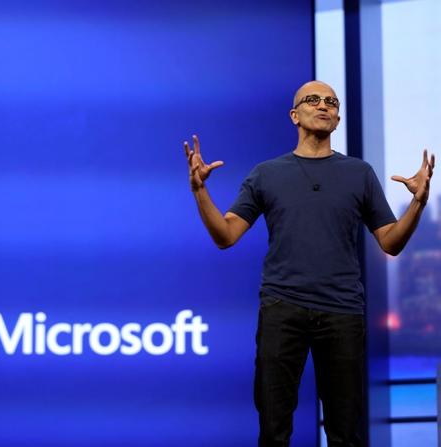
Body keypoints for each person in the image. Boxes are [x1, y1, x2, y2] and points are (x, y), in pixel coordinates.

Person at [183, 80, 435, 447]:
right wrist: (199, 191)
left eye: (331, 102)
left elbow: (390, 242)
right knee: (274, 429)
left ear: (337, 118)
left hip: (342, 313)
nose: (324, 106)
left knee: (345, 432)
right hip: (282, 310)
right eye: (313, 100)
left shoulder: (359, 173)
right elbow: (225, 235)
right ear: (294, 115)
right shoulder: (266, 174)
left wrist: (418, 204)